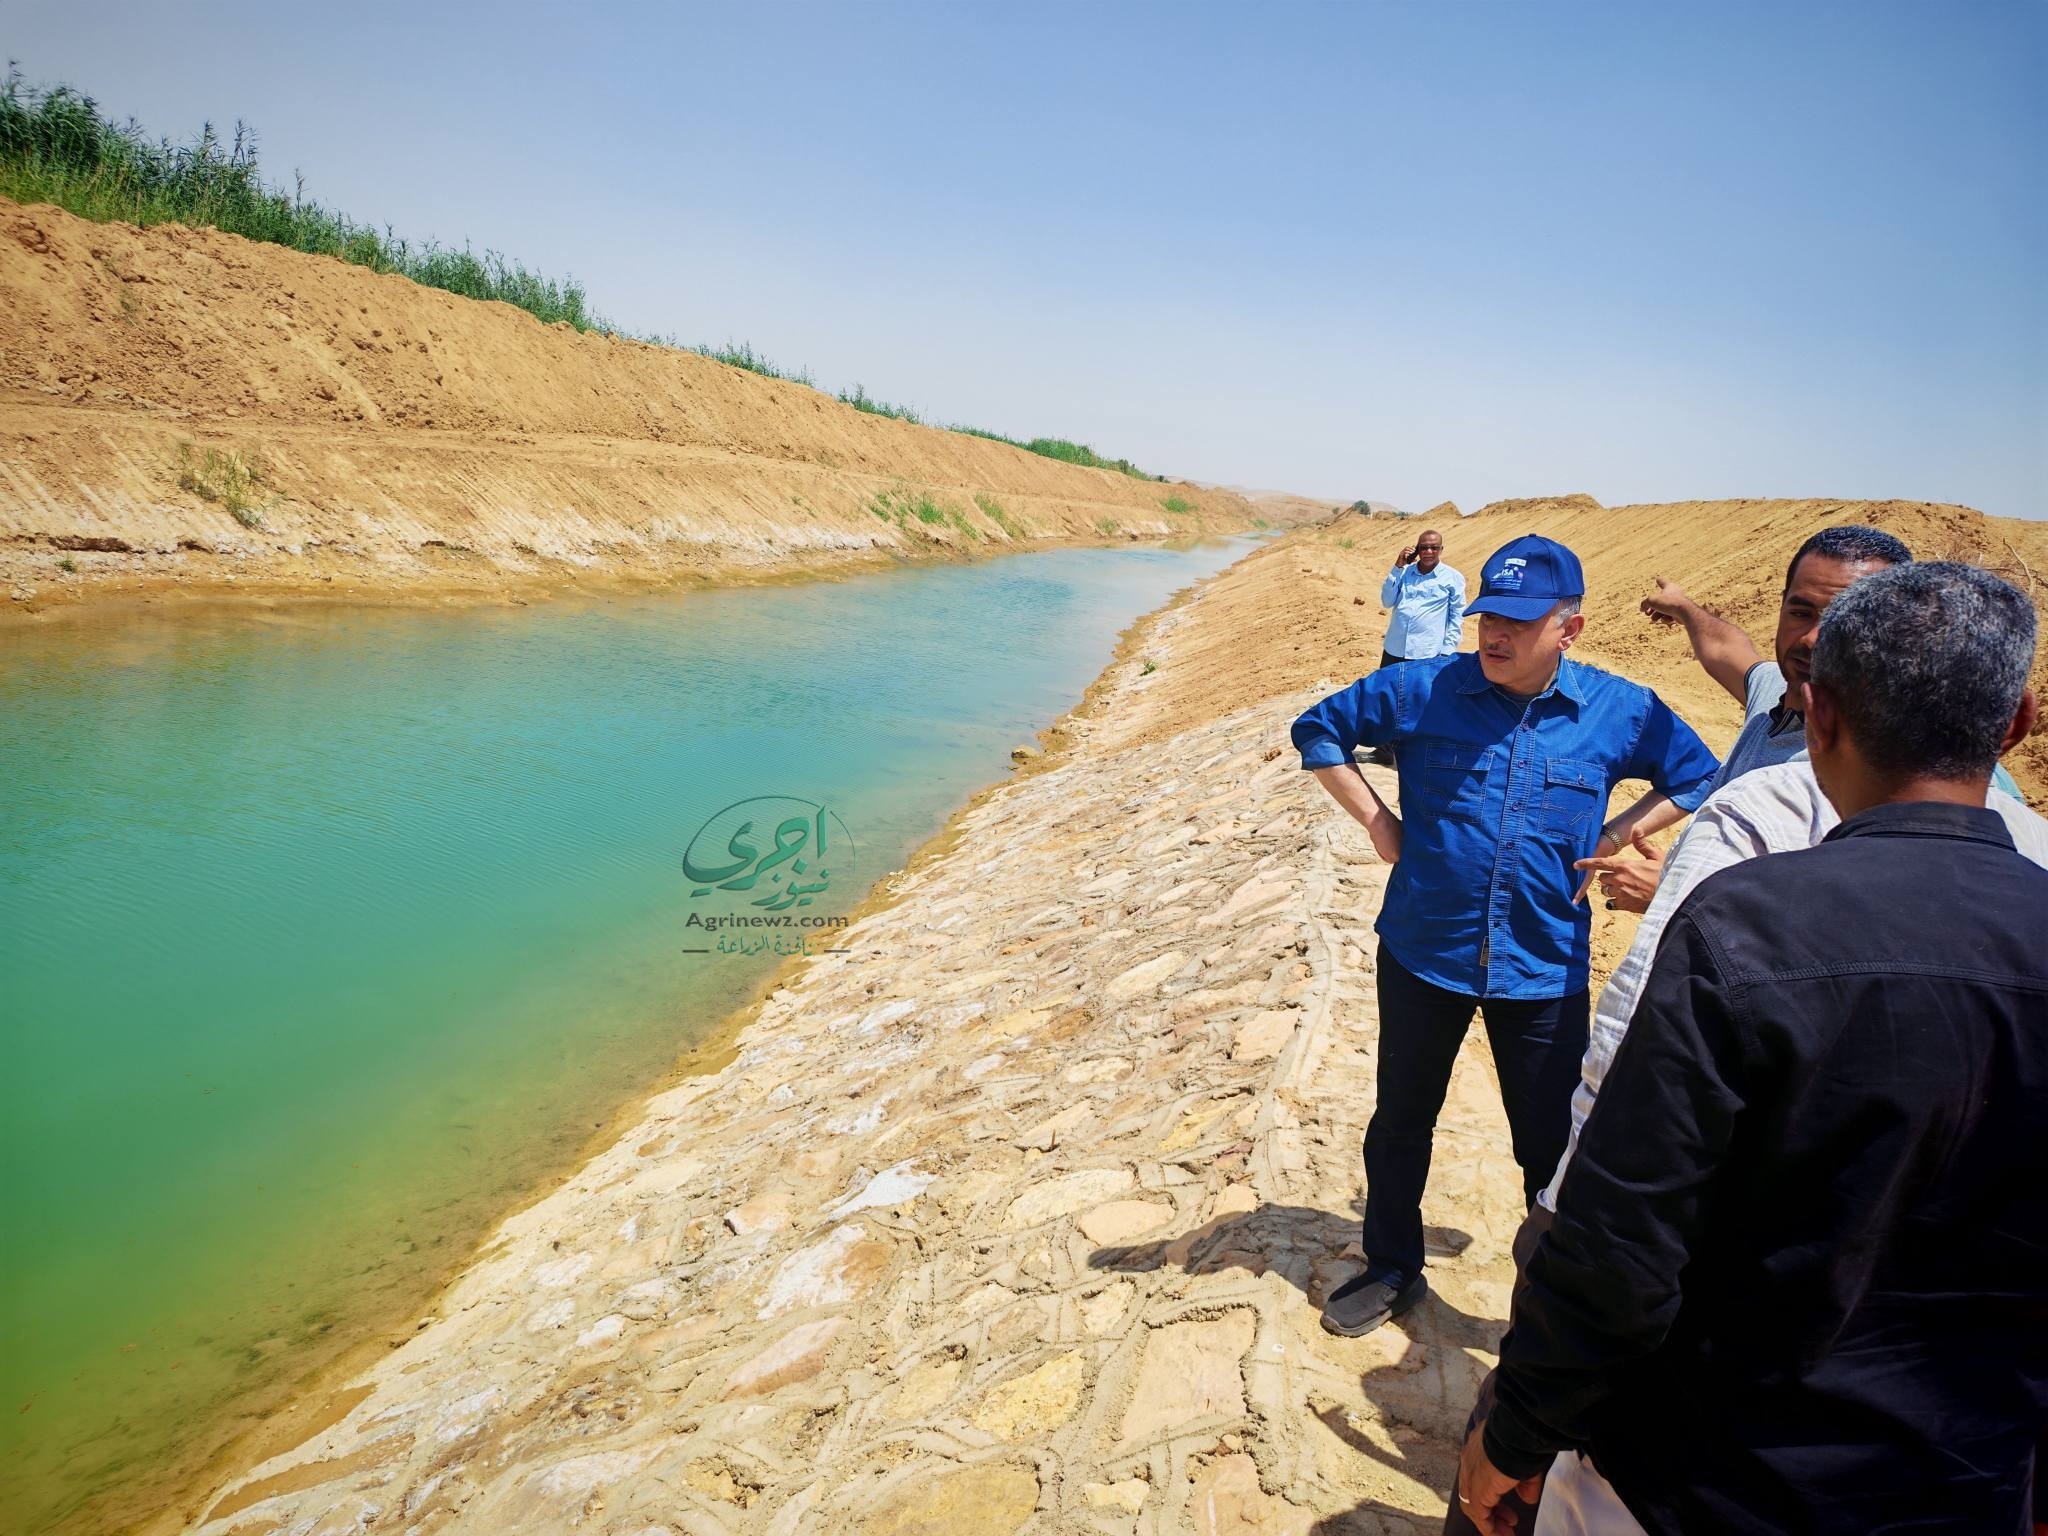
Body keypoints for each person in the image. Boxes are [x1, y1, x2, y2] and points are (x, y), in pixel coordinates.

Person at [1457, 562, 2048, 1535]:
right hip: (1956, 1485)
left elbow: (1626, 1233)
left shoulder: (1744, 925)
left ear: (1818, 715)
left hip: (1701, 1474)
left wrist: (1517, 1430)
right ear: (2016, 723)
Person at [1291, 534, 1719, 1338]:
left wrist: (1619, 831)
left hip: (1543, 964)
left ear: (1570, 629)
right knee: (1400, 1120)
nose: (1495, 634)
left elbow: (1698, 772)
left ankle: (1550, 1297)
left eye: (1519, 623)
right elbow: (1318, 730)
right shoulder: (1421, 688)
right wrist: (1378, 820)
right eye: (1490, 616)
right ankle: (1391, 1266)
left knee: (1552, 1144)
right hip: (1424, 950)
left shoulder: (1619, 710)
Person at [1578, 524, 2021, 912]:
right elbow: (1727, 649)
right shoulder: (1776, 690)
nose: (1811, 639)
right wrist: (1683, 607)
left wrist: (1679, 891)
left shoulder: (1919, 769)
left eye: (1843, 621)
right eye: (1801, 612)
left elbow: (1905, 916)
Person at [1365, 529, 1467, 766]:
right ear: (1417, 549)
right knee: (1386, 696)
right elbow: (1387, 601)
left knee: (1415, 702)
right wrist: (1398, 566)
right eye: (1424, 547)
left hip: (1425, 652)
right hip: (1395, 647)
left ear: (1441, 550)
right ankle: (1385, 749)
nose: (1428, 552)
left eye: (1434, 547)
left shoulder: (1452, 578)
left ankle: (1410, 753)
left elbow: (1456, 616)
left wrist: (1447, 651)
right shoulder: (1405, 572)